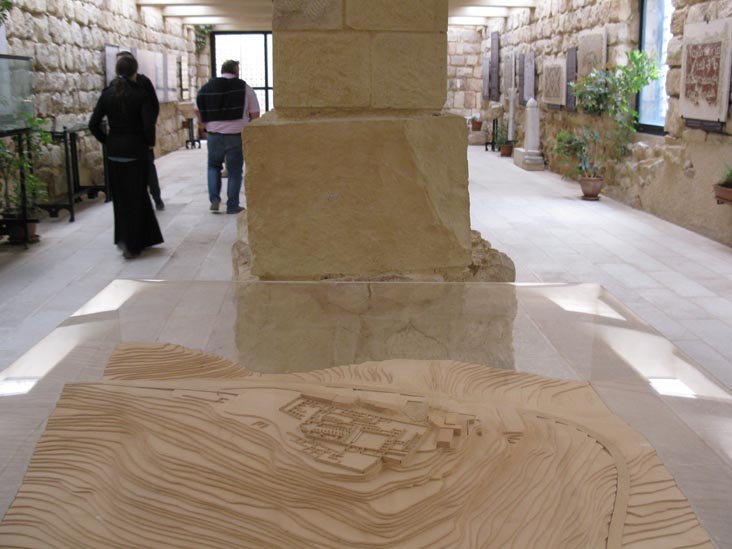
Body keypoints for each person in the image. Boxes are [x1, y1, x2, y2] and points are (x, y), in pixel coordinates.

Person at [89, 55, 164, 259]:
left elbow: (93, 124)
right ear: (134, 71)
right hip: (135, 151)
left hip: (115, 153)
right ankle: (134, 243)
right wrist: (148, 143)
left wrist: (108, 140)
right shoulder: (140, 94)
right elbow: (147, 124)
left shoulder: (107, 94)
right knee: (138, 196)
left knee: (121, 199)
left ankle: (132, 238)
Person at [195, 60, 260, 214]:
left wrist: (205, 124)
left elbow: (197, 109)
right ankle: (232, 205)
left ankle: (215, 199)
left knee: (213, 166)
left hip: (214, 134)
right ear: (235, 70)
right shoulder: (244, 87)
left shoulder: (207, 87)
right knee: (235, 170)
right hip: (236, 135)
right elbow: (255, 113)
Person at [116, 50, 164, 211]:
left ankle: (156, 197)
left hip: (141, 137)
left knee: (148, 168)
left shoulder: (143, 83)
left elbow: (153, 107)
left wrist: (148, 132)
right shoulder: (115, 87)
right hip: (126, 138)